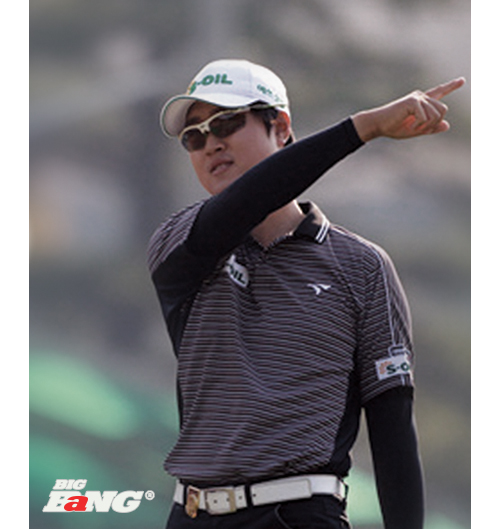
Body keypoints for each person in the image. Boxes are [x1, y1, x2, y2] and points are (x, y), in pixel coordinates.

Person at [147, 59, 465, 529]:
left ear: (281, 127)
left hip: (299, 515)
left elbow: (393, 430)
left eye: (227, 123)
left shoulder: (362, 266)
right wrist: (365, 128)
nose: (211, 142)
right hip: (193, 516)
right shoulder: (179, 242)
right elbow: (247, 200)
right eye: (194, 136)